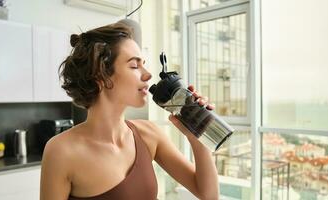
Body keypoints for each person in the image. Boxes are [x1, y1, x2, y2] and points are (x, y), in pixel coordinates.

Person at [40, 23, 219, 200]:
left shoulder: (149, 134)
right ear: (100, 76)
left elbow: (208, 195)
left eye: (144, 64)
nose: (148, 74)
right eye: (134, 66)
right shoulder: (61, 151)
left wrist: (198, 139)